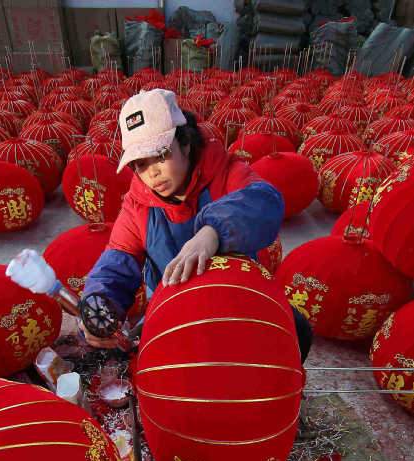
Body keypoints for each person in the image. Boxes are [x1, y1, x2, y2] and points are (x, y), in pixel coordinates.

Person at [78, 89, 312, 360]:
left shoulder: (225, 173)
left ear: (185, 143)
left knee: (296, 332)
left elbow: (266, 202)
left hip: (233, 296)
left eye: (161, 154)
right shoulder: (137, 206)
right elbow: (117, 263)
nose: (153, 172)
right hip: (175, 309)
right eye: (141, 164)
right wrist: (99, 302)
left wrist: (212, 232)